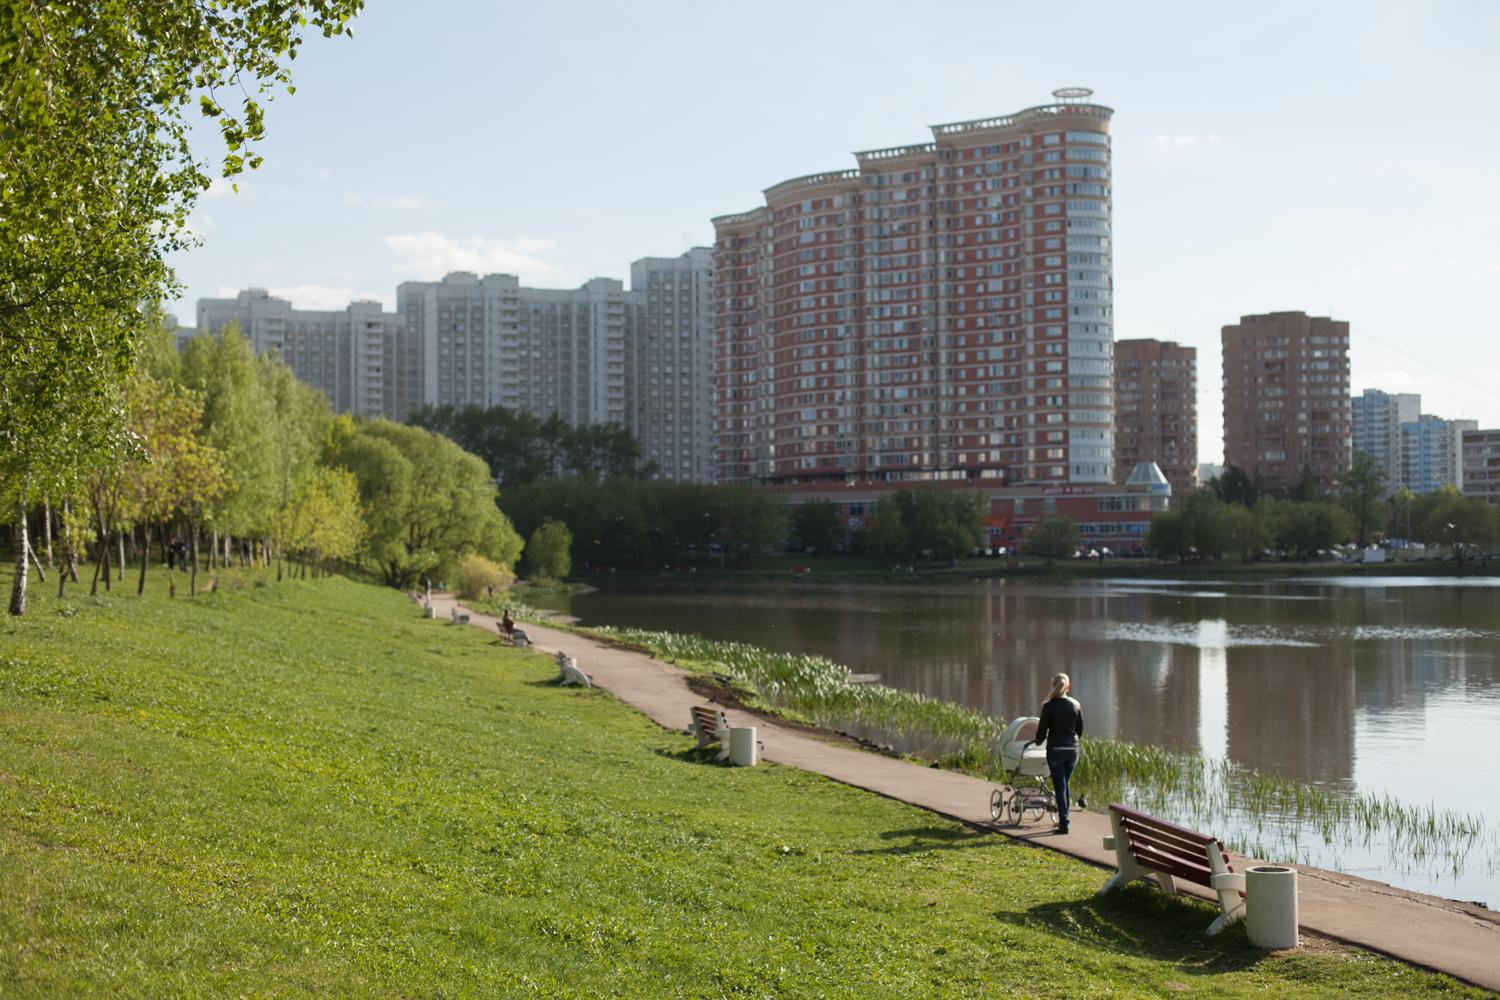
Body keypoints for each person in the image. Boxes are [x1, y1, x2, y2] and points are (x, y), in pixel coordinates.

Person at [1032, 671, 1083, 834]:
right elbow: (1079, 730)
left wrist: (1038, 741)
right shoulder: (1076, 705)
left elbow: (1042, 731)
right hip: (1072, 750)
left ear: (1053, 685)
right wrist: (1073, 741)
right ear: (1068, 687)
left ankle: (1064, 823)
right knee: (1063, 785)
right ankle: (1064, 818)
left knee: (1061, 786)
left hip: (1055, 750)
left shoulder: (1049, 706)